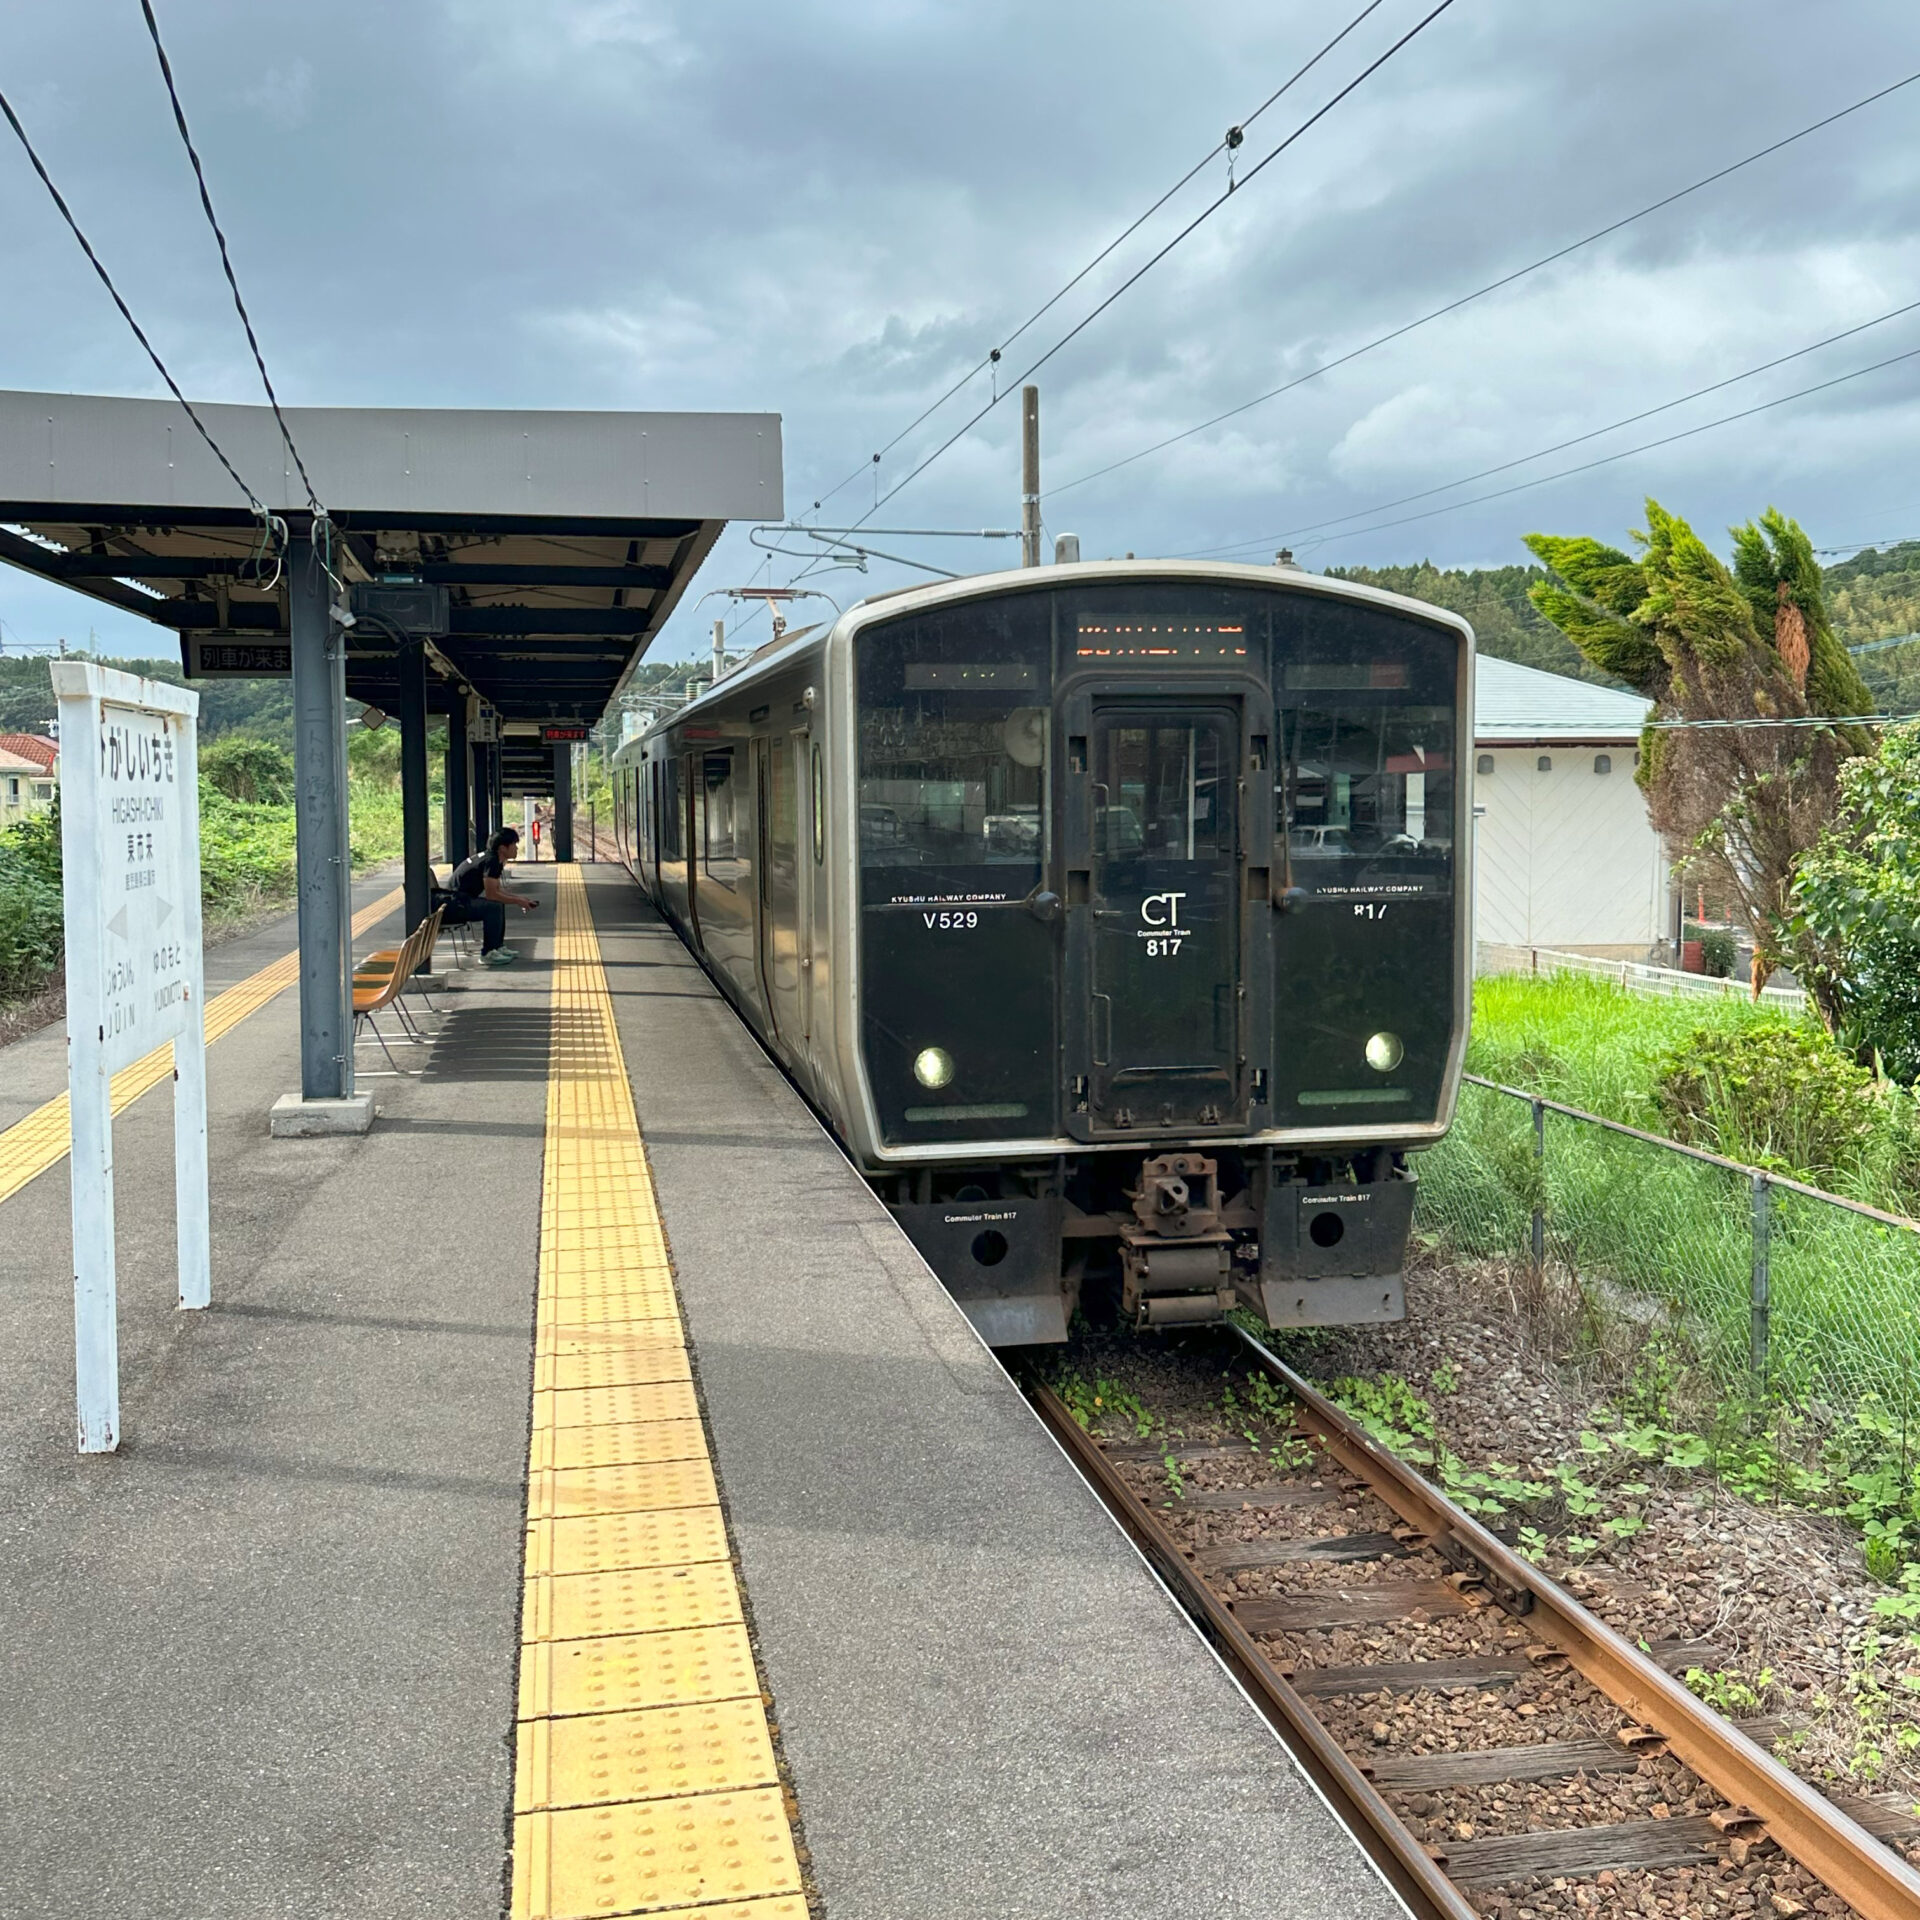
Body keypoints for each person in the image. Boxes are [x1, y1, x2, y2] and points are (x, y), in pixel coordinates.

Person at [446, 827, 539, 966]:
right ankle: (488, 953)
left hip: (458, 900)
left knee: (497, 905)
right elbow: (492, 895)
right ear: (503, 848)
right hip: (454, 905)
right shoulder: (492, 862)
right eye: (514, 844)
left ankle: (497, 946)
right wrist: (518, 901)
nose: (517, 848)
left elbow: (497, 891)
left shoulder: (493, 859)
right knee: (493, 907)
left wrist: (520, 899)